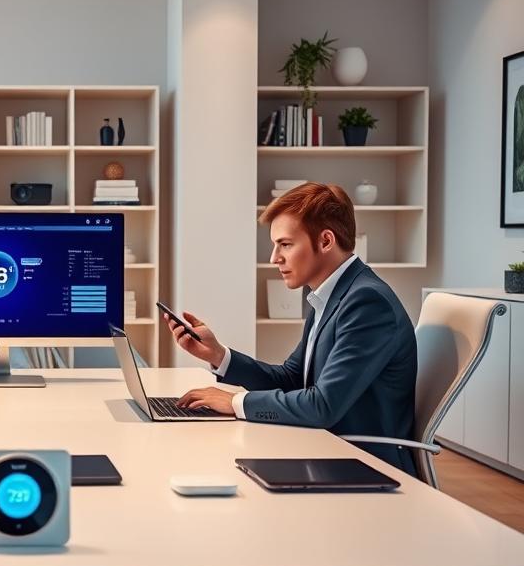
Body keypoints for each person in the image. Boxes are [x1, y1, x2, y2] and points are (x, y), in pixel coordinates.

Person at [164, 182, 417, 474]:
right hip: (326, 447)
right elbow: (293, 378)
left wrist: (235, 401)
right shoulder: (330, 295)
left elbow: (323, 405)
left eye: (285, 244)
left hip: (364, 464)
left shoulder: (367, 302)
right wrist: (219, 355)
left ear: (325, 241)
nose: (274, 258)